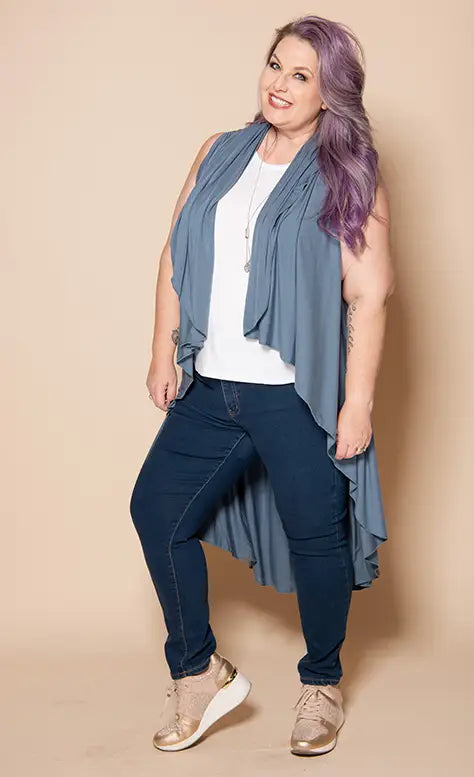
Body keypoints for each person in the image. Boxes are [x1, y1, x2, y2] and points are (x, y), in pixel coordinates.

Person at [129, 14, 394, 758]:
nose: (279, 84)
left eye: (301, 75)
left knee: (318, 538)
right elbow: (175, 252)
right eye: (275, 65)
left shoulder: (350, 174)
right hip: (212, 386)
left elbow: (369, 293)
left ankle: (323, 684)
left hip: (293, 396)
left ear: (329, 93)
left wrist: (358, 402)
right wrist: (162, 349)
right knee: (156, 511)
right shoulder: (220, 151)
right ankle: (198, 671)